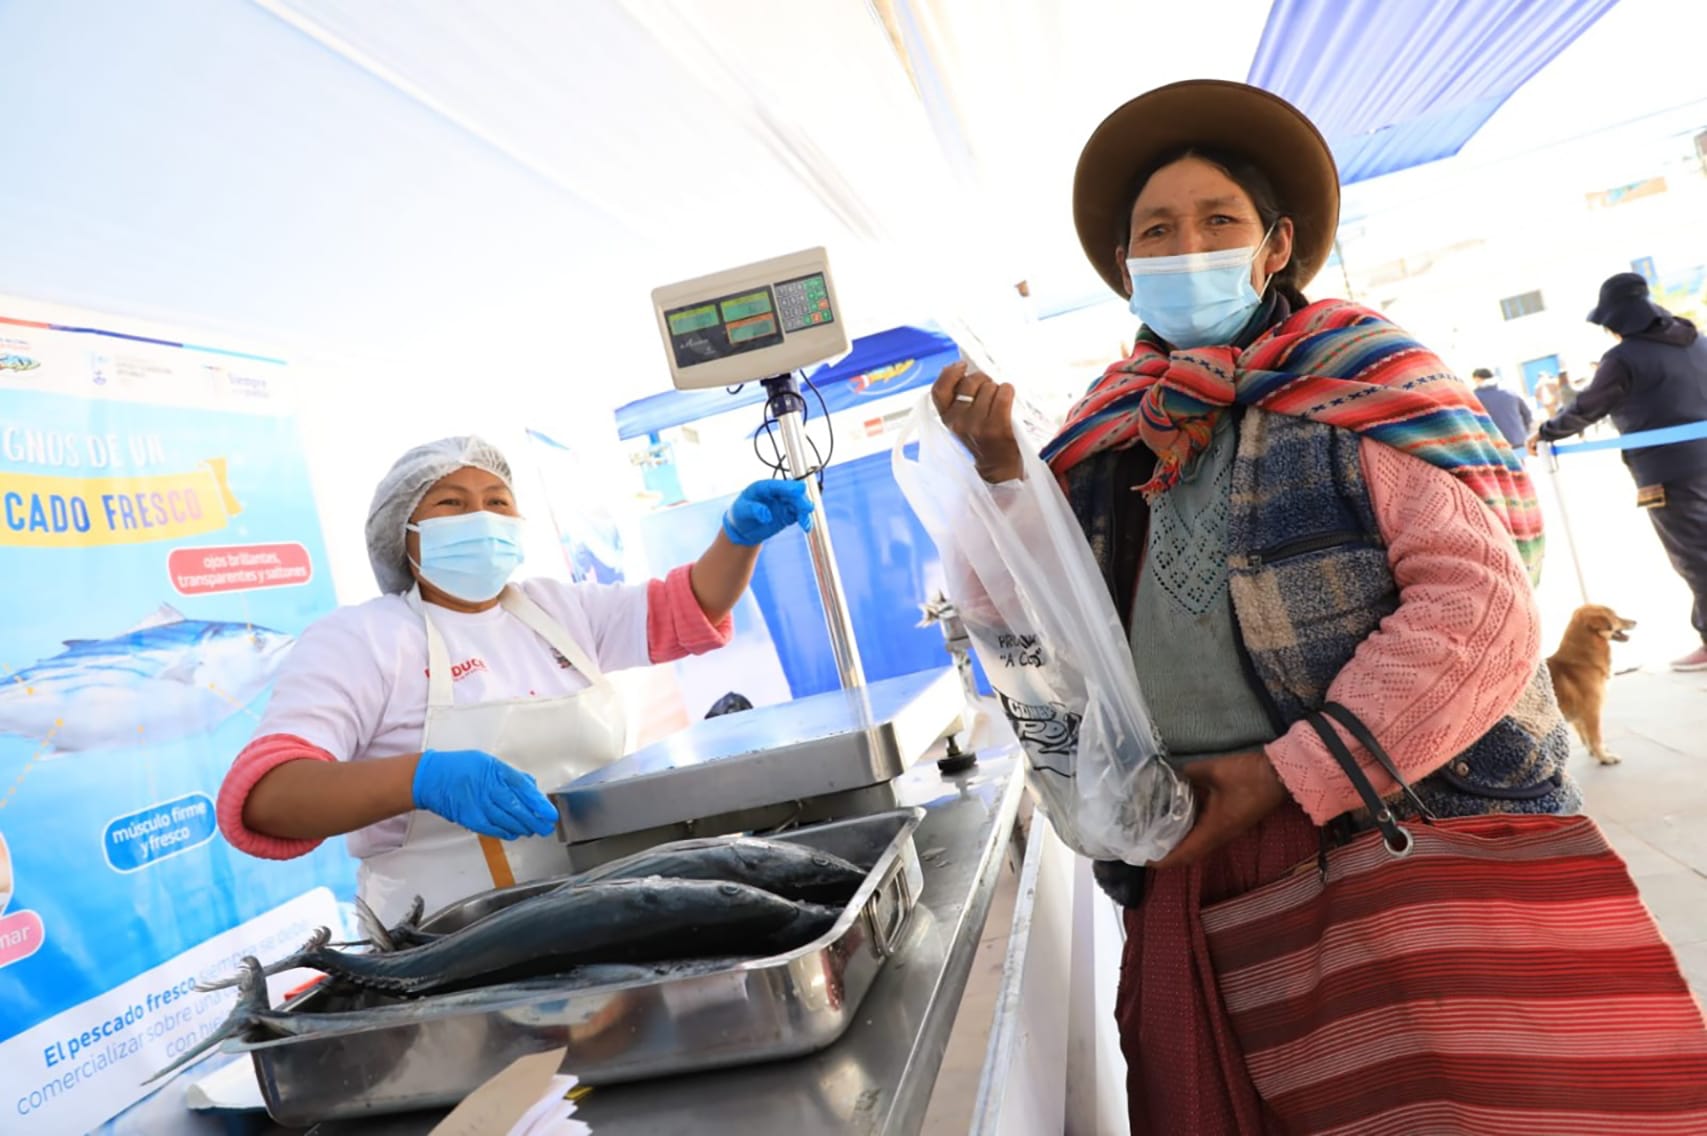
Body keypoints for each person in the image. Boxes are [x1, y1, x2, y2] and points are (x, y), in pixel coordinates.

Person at [932, 79, 1577, 1133]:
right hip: (1188, 853)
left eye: (1217, 221)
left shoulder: (1366, 384)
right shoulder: (1104, 430)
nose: (1186, 247)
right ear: (1126, 267)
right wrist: (1003, 478)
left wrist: (1293, 768)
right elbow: (1031, 629)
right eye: (1157, 231)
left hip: (1377, 832)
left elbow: (1479, 609)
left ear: (1275, 246)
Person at [216, 436, 814, 921]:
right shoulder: (362, 639)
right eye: (451, 503)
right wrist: (421, 779)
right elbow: (269, 799)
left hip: (606, 910)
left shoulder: (558, 610)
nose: (480, 517)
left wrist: (737, 539)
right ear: (404, 532)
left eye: (497, 502)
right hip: (448, 944)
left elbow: (685, 609)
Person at [1531, 272, 1707, 671]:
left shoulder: (1624, 358)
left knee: (1695, 555)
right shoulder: (1695, 341)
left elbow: (1589, 406)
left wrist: (1545, 432)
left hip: (1669, 471)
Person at [1470, 366, 1534, 451]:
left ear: (1478, 379)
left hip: (1497, 446)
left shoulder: (1475, 397)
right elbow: (1527, 414)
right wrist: (1523, 432)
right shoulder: (1510, 392)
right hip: (1520, 441)